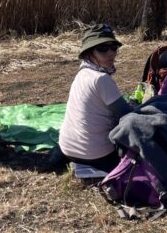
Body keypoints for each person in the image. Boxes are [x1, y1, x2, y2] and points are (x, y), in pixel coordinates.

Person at [58, 23, 136, 172]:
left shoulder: (83, 72)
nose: (110, 53)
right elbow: (126, 114)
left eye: (113, 47)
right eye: (102, 49)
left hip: (67, 149)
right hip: (95, 154)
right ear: (89, 52)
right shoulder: (101, 79)